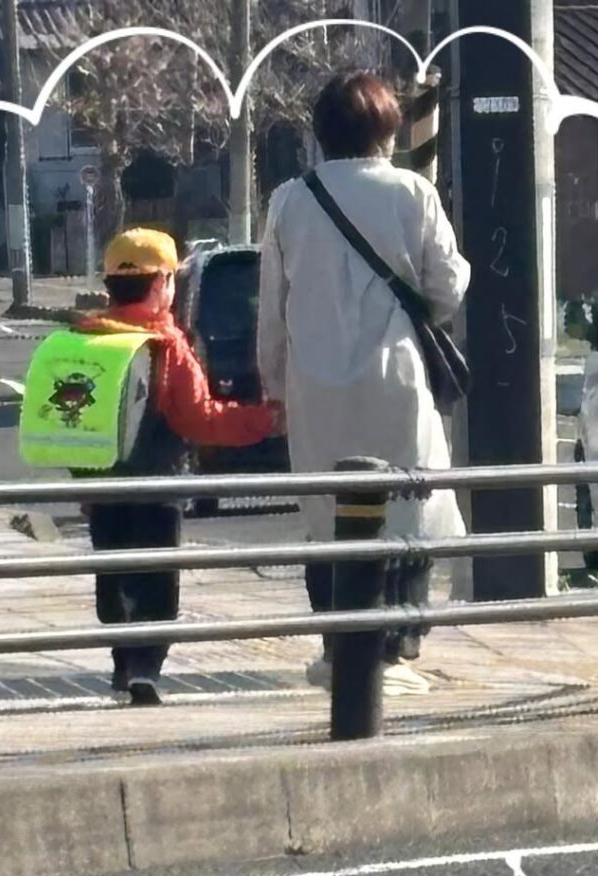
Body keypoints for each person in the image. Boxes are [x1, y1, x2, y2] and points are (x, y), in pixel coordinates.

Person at [256, 71, 471, 694]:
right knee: (409, 509)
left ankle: (338, 646)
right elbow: (447, 288)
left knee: (329, 516)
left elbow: (272, 308)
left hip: (316, 385)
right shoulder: (412, 192)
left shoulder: (291, 200)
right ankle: (396, 649)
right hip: (394, 378)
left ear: (321, 133)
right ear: (386, 129)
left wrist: (275, 385)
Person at [71, 228, 283, 705]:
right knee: (158, 585)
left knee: (114, 576)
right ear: (161, 284)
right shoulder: (167, 347)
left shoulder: (87, 339)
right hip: (158, 487)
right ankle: (146, 668)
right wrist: (265, 421)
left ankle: (122, 664)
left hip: (101, 487)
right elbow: (200, 419)